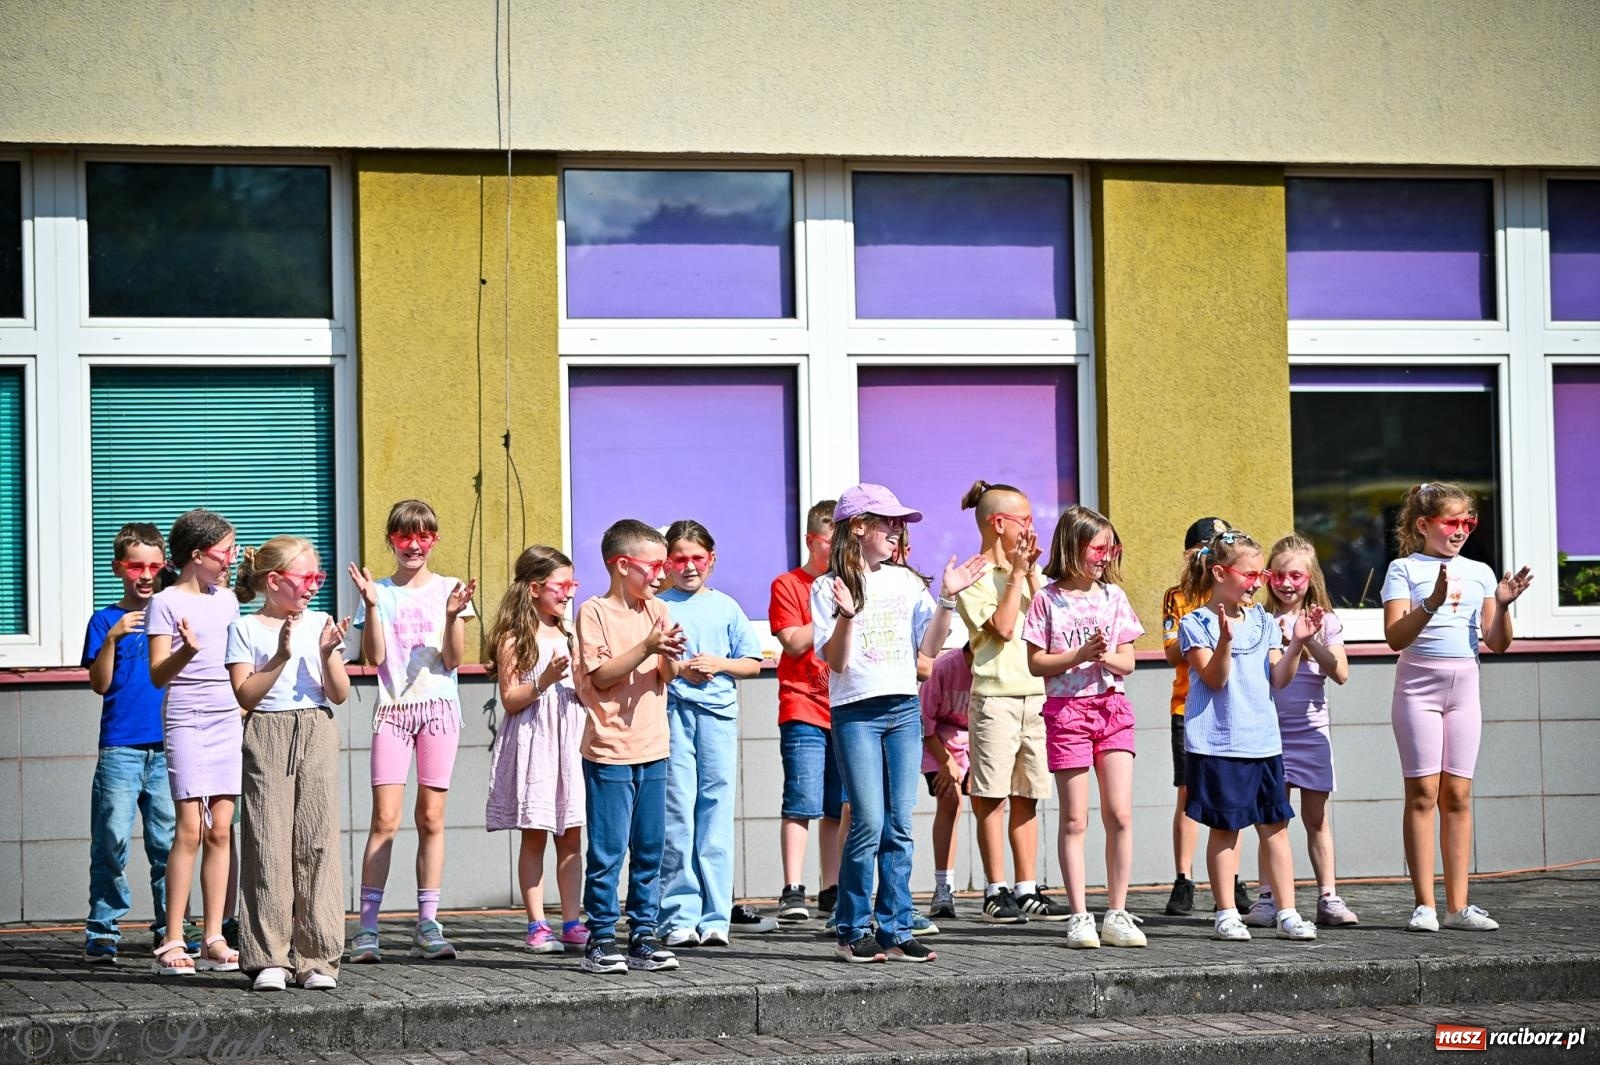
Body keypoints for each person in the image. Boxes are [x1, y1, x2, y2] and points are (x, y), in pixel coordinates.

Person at [813, 484, 986, 963]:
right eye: (887, 522)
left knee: (898, 823)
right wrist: (847, 616)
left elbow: (928, 651)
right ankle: (851, 928)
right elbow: (838, 661)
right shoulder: (827, 586)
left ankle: (895, 924)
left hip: (903, 709)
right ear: (859, 527)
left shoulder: (906, 581)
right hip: (857, 712)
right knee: (867, 819)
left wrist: (947, 599)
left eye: (899, 523)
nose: (896, 530)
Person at [1382, 482, 1531, 933]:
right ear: (1424, 525)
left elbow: (1497, 643)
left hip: (1464, 687)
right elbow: (1394, 637)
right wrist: (1431, 603)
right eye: (1452, 521)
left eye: (1469, 521)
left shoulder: (1482, 572)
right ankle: (1424, 904)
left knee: (1459, 796)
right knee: (1424, 793)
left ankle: (1458, 906)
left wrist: (1502, 607)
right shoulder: (1403, 568)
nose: (1462, 529)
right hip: (1418, 687)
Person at [348, 500, 477, 963]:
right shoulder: (379, 591)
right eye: (405, 536)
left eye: (424, 536)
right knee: (384, 819)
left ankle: (428, 923)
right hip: (394, 712)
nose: (414, 545)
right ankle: (366, 929)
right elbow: (374, 658)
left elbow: (454, 661)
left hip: (439, 709)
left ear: (434, 540)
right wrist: (370, 605)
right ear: (392, 540)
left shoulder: (450, 588)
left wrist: (451, 615)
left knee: (431, 818)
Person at [1178, 529, 1318, 943]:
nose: (1257, 582)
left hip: (1263, 741)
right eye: (1249, 574)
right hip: (1218, 743)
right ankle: (1225, 912)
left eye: (1261, 575)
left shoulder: (1262, 620)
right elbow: (1215, 679)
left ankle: (1287, 911)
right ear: (1220, 573)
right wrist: (1224, 640)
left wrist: (1296, 646)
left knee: (1275, 826)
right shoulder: (1195, 623)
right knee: (1225, 829)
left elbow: (1278, 679)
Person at [227, 537, 351, 991]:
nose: (314, 586)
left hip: (316, 727)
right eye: (306, 578)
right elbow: (244, 694)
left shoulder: (319, 622)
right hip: (266, 730)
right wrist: (280, 656)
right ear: (274, 581)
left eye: (318, 578)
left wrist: (325, 652)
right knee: (267, 841)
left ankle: (318, 958)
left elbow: (338, 693)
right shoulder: (245, 628)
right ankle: (268, 958)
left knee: (316, 841)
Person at [1022, 505, 1147, 948]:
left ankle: (1117, 912)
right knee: (1075, 819)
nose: (1106, 556)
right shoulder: (1047, 599)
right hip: (1067, 712)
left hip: (1111, 707)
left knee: (1120, 814)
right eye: (1098, 547)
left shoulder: (1114, 597)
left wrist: (1104, 655)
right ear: (1073, 548)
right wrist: (1078, 655)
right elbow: (1036, 662)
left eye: (1110, 548)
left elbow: (1128, 660)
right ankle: (1079, 916)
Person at [573, 519, 686, 974]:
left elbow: (667, 675)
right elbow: (601, 676)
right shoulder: (594, 612)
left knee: (650, 846)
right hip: (609, 750)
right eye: (654, 566)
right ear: (622, 565)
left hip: (653, 747)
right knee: (607, 850)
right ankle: (600, 938)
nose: (661, 575)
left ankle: (643, 932)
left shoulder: (656, 610)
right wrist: (647, 645)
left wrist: (670, 652)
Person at [953, 481, 1066, 924]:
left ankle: (1027, 886)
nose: (1032, 528)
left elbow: (1050, 619)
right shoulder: (972, 574)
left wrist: (1031, 574)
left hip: (1034, 694)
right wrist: (1016, 576)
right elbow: (1001, 627)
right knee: (992, 796)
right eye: (1025, 520)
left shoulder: (1028, 571)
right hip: (995, 697)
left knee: (1028, 794)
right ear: (998, 524)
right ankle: (995, 889)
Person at [657, 520, 772, 946]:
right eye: (680, 559)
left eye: (697, 558)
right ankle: (678, 916)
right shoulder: (658, 605)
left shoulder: (725, 606)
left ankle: (715, 917)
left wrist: (719, 663)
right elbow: (653, 663)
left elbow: (752, 661)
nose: (689, 567)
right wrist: (683, 669)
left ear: (712, 559)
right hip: (672, 716)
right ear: (667, 562)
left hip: (719, 717)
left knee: (715, 814)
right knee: (677, 813)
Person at [146, 509, 243, 975]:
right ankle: (171, 940)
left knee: (221, 827)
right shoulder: (164, 602)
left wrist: (243, 703)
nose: (232, 560)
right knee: (189, 827)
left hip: (227, 715)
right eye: (226, 551)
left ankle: (214, 936)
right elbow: (157, 674)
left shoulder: (227, 601)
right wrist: (186, 650)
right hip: (186, 716)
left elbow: (238, 659)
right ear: (198, 555)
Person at [483, 546, 588, 955]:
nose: (568, 593)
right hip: (535, 741)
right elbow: (510, 698)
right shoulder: (515, 638)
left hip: (570, 739)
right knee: (535, 835)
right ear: (534, 588)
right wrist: (544, 679)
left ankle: (573, 920)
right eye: (561, 586)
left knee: (572, 834)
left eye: (571, 585)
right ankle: (536, 923)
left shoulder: (571, 634)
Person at [1250, 534, 1355, 928]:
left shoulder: (1325, 620)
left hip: (1311, 733)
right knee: (1271, 820)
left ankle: (1328, 896)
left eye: (1296, 575)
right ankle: (1267, 897)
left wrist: (1309, 641)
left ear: (1310, 578)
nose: (1287, 583)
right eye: (1279, 575)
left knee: (1316, 818)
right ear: (1267, 577)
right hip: (1269, 734)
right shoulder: (1258, 620)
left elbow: (1341, 673)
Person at [81, 523, 175, 964]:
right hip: (120, 747)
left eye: (154, 565)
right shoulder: (103, 620)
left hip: (169, 744)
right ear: (119, 567)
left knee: (168, 843)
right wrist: (114, 638)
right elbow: (99, 685)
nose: (145, 574)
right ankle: (103, 929)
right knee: (112, 840)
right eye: (136, 564)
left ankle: (170, 928)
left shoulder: (170, 614)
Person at [1160, 516, 1250, 917]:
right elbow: (1171, 652)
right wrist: (1204, 627)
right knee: (1188, 793)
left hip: (1233, 705)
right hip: (1189, 706)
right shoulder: (1178, 597)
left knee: (1233, 792)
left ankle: (1230, 878)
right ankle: (1184, 879)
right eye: (1205, 546)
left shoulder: (1236, 594)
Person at [770, 500, 846, 923]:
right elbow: (795, 642)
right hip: (802, 705)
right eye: (829, 544)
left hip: (843, 707)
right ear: (810, 541)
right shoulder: (788, 584)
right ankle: (792, 888)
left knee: (837, 805)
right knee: (801, 798)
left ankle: (831, 888)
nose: (836, 554)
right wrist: (834, 607)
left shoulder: (849, 583)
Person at [920, 645, 972, 920]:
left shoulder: (994, 669)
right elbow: (924, 723)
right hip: (937, 744)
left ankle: (997, 889)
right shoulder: (945, 666)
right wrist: (946, 761)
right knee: (950, 799)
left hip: (975, 745)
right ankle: (943, 888)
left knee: (992, 799)